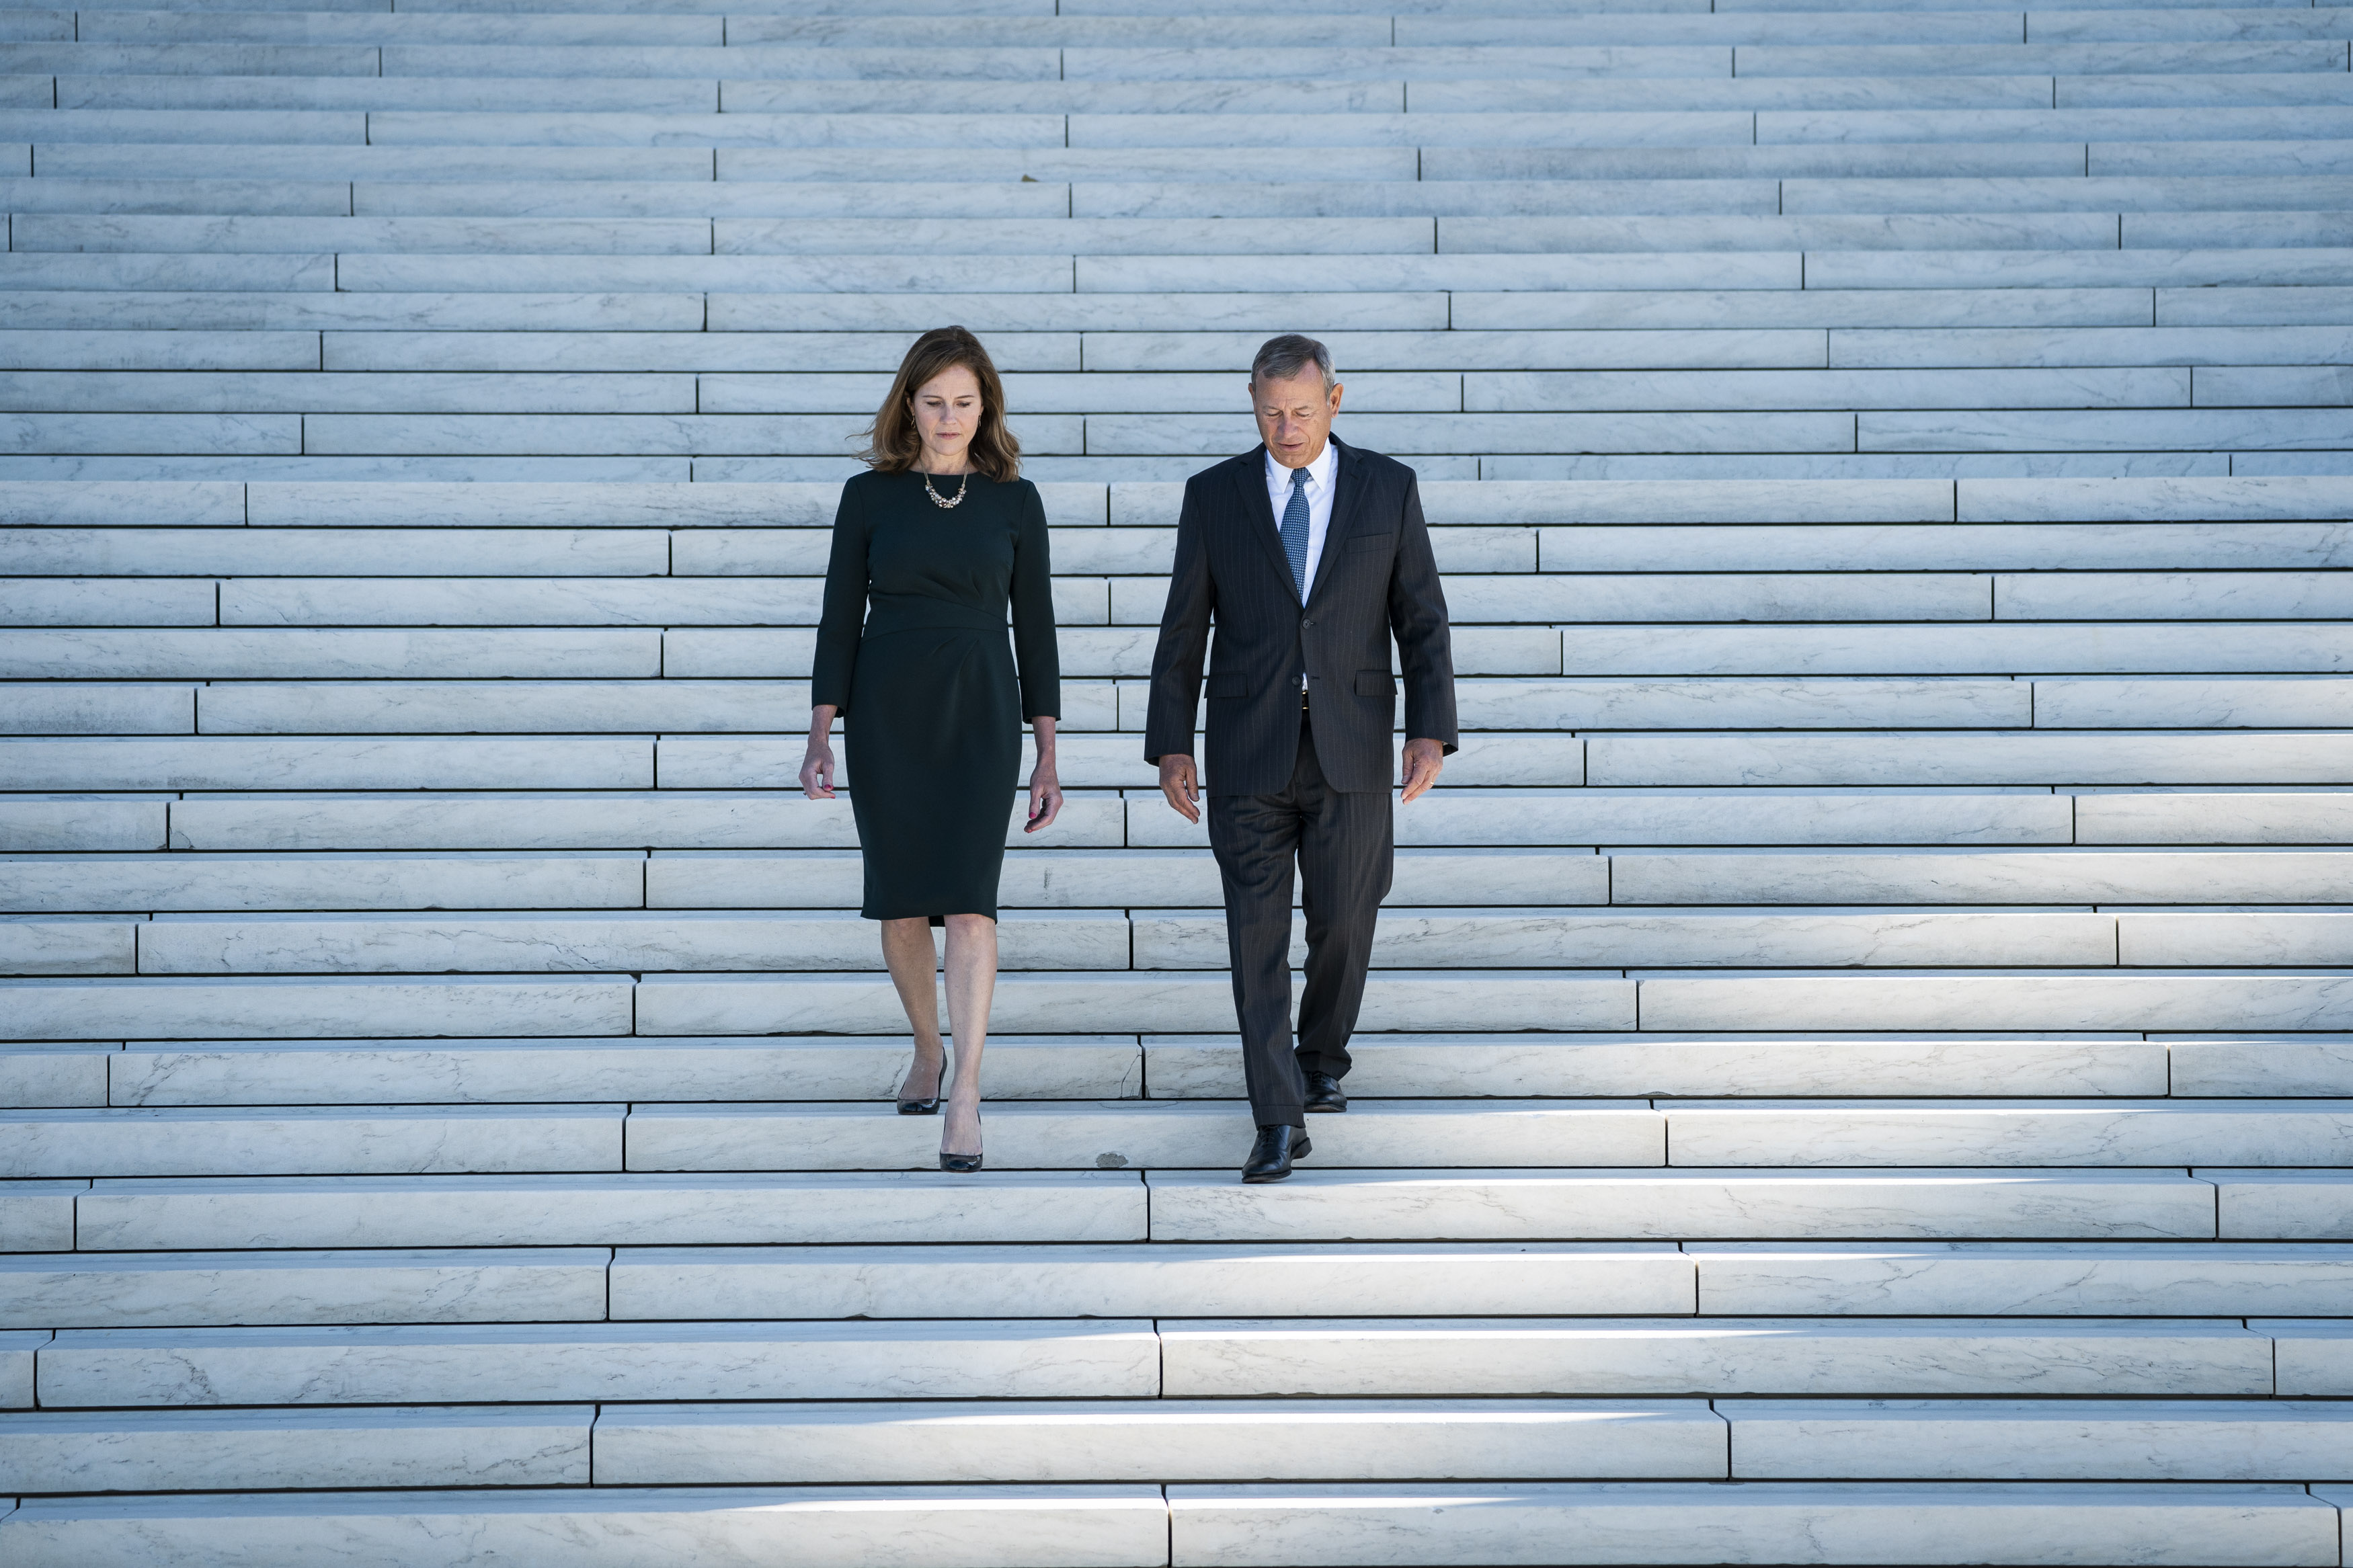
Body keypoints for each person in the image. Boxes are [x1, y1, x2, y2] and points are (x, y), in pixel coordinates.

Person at [1144, 333, 1457, 1184]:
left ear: (1336, 401)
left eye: (1302, 412)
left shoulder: (1387, 488)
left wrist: (1429, 728)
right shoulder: (1213, 495)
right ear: (1252, 403)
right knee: (1254, 939)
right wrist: (1171, 741)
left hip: (1352, 748)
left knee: (1345, 922)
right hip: (1248, 750)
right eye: (1271, 412)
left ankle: (1321, 1054)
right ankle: (1276, 1116)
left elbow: (1420, 618)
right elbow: (1183, 627)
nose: (1286, 428)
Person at [800, 326, 1062, 1173]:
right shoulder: (867, 497)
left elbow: (1040, 629)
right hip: (888, 710)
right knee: (904, 902)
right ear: (908, 404)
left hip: (981, 707)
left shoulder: (1015, 501)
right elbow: (840, 615)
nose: (949, 417)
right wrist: (819, 732)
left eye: (965, 401)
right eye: (933, 400)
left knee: (973, 903)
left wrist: (1047, 748)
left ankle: (966, 1091)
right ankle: (926, 1044)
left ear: (985, 407)